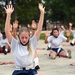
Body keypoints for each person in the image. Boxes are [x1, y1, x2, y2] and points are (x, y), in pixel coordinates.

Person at [4, 3, 45, 75]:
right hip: (18, 71)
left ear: (29, 37)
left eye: (26, 37)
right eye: (22, 37)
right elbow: (7, 31)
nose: (24, 39)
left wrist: (42, 13)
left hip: (30, 70)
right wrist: (8, 15)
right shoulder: (15, 44)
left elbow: (39, 29)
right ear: (19, 37)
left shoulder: (32, 43)